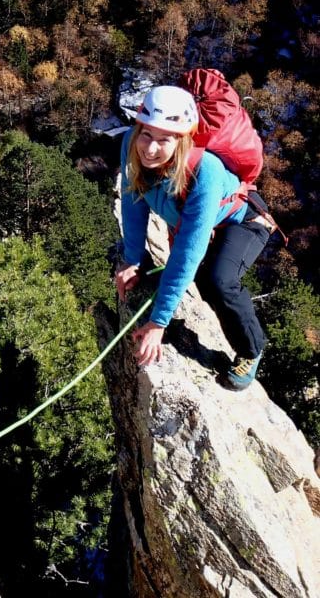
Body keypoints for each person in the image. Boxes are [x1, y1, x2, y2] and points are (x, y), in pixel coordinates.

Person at [115, 85, 271, 390]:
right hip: (200, 224)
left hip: (244, 222)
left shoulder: (204, 172)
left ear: (182, 139)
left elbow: (188, 252)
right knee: (189, 274)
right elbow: (133, 199)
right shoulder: (129, 145)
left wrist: (159, 323)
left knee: (216, 281)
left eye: (164, 140)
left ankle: (252, 349)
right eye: (146, 134)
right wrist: (131, 259)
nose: (149, 148)